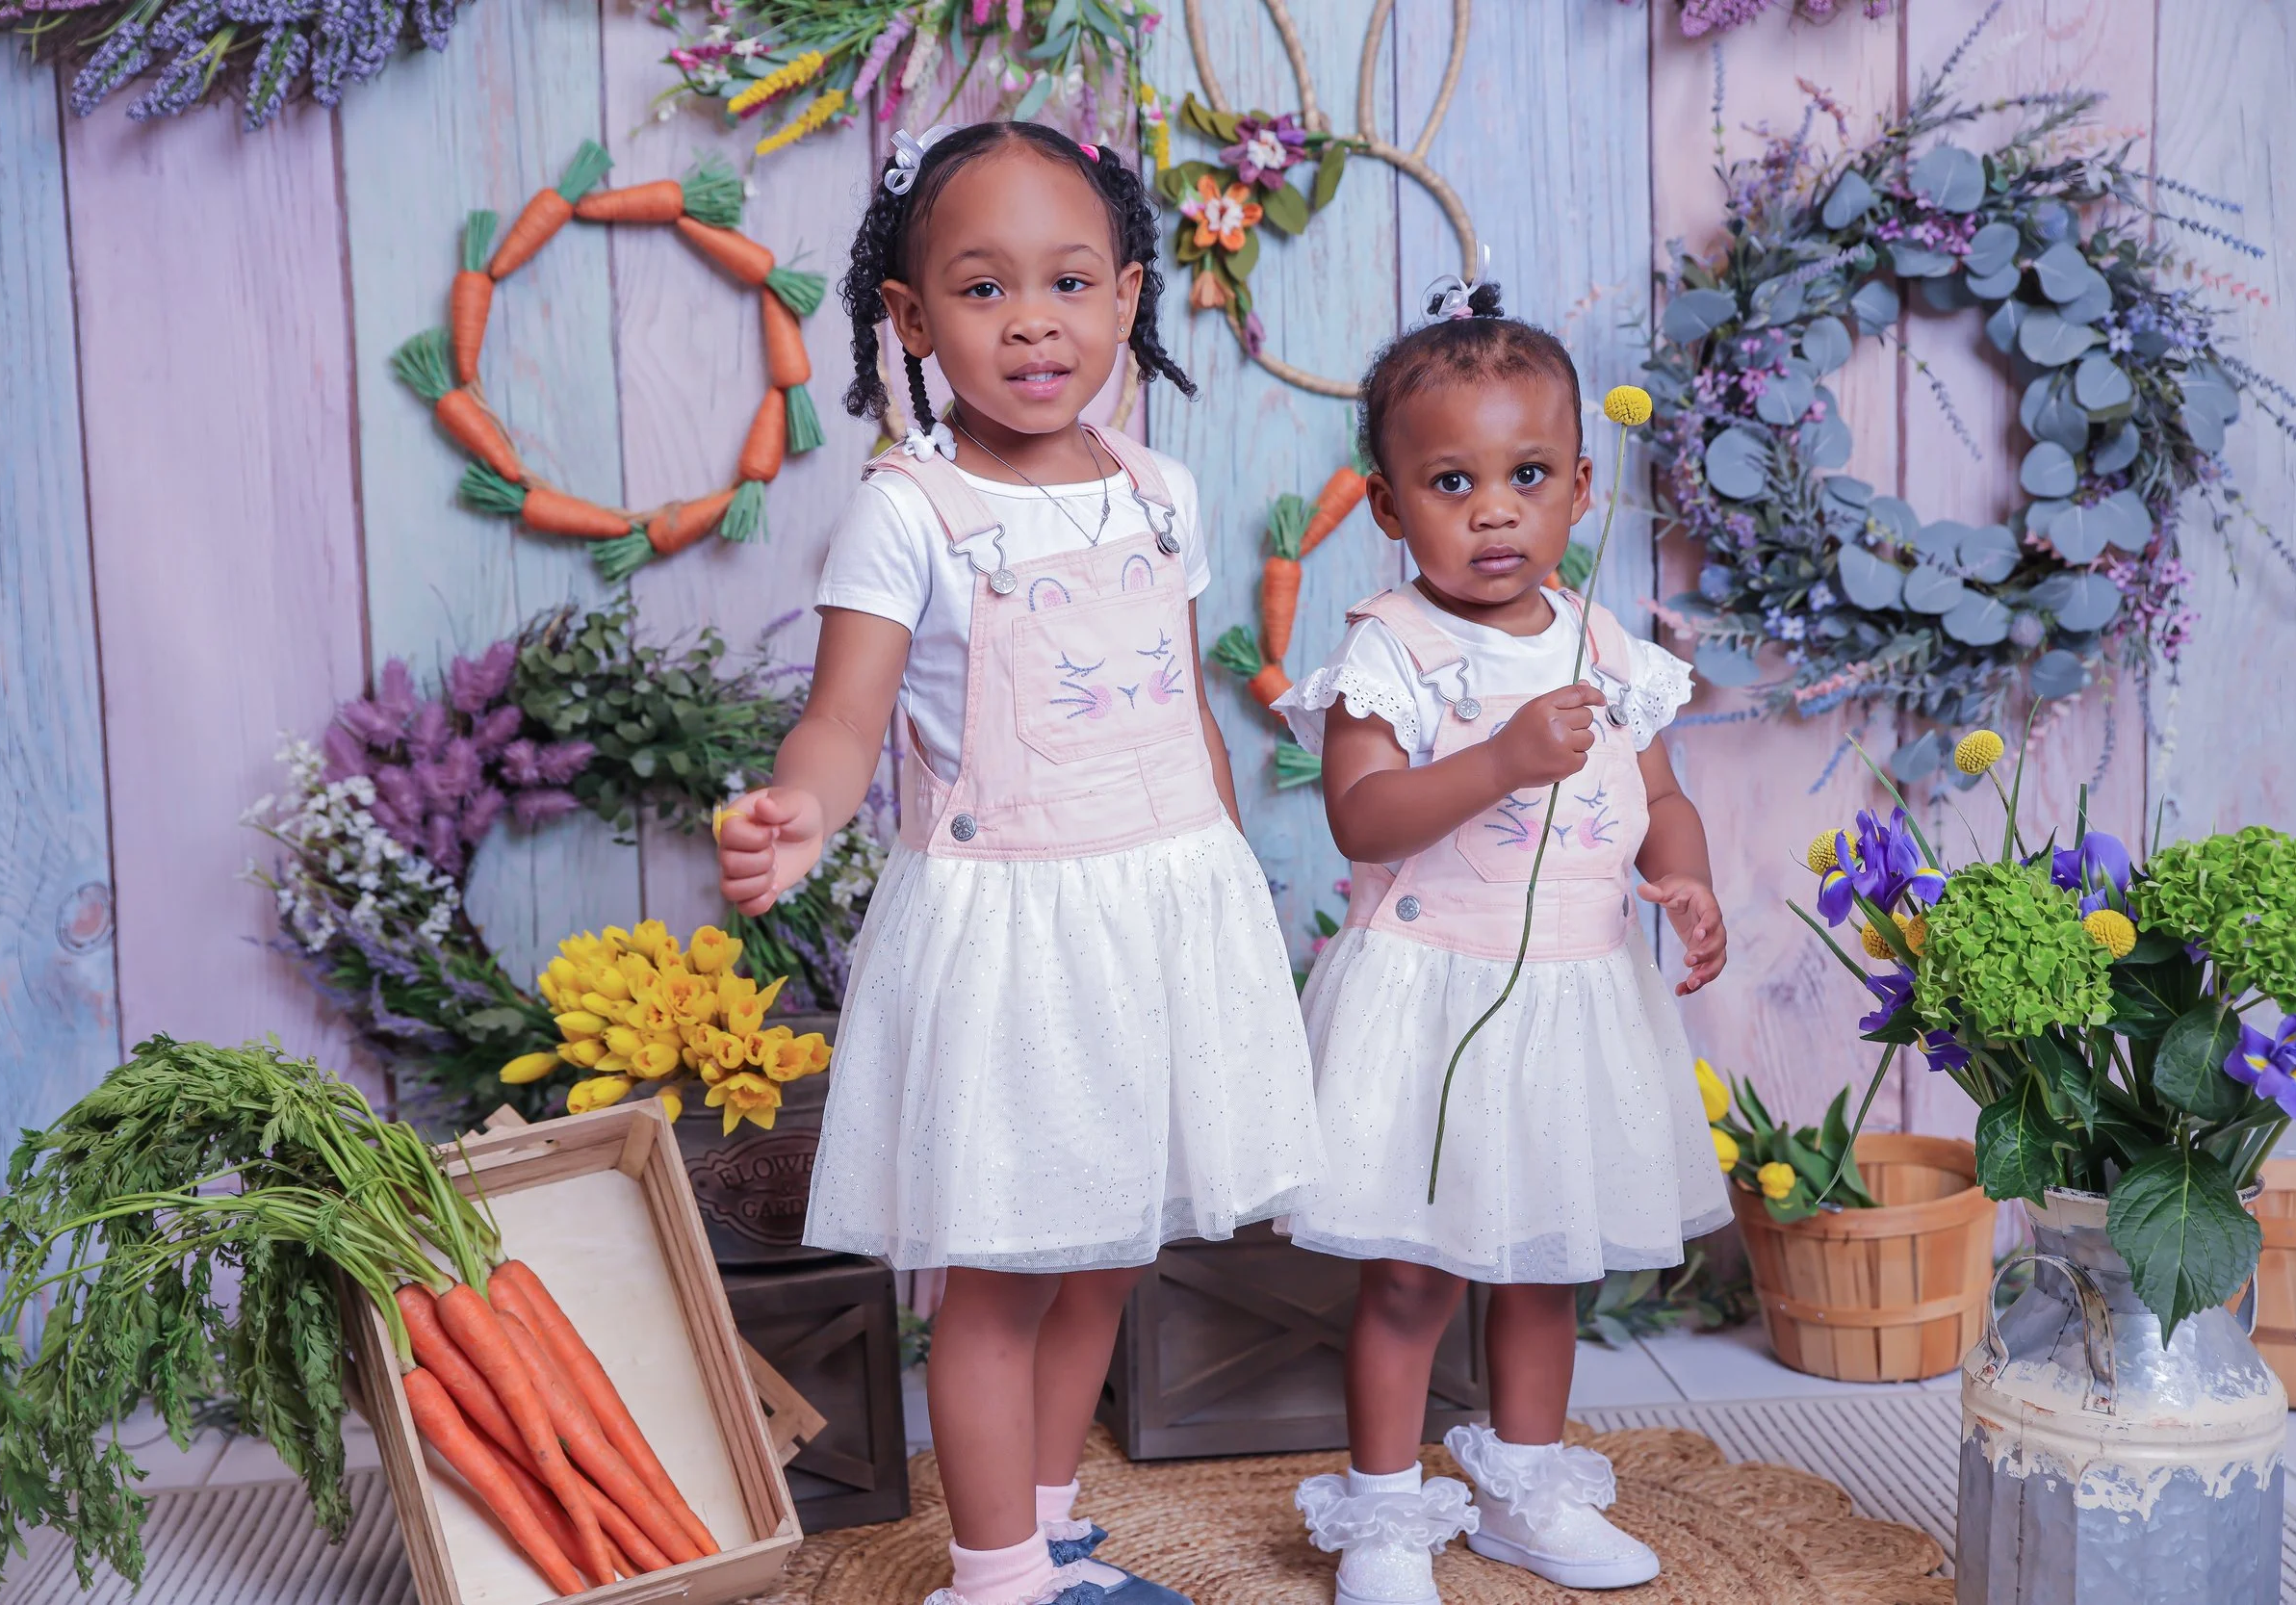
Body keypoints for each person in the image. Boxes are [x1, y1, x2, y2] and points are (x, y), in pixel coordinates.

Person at [713, 120, 1323, 1605]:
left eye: (1066, 282)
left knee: (1109, 1247)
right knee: (993, 1273)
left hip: (1160, 911)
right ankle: (992, 1578)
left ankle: (1046, 1521)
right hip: (1009, 934)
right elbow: (844, 723)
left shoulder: (1159, 491)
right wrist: (798, 810)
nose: (1033, 320)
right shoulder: (907, 510)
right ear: (911, 321)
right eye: (982, 291)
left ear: (1125, 297)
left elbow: (1184, 708)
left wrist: (1231, 884)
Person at [1277, 281, 1730, 1603]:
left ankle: (1529, 1489)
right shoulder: (1392, 654)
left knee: (1546, 1265)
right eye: (1450, 480)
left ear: (1581, 487)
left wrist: (1683, 878)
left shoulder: (1608, 648)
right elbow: (1364, 820)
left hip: (1573, 1005)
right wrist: (1497, 758)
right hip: (1432, 1005)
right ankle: (1380, 1517)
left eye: (1525, 474)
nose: (1492, 509)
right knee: (1414, 1274)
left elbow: (1659, 797)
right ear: (1386, 503)